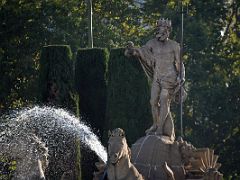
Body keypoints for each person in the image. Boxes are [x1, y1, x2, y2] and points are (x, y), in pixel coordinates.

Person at [125, 18, 186, 140]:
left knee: (164, 100)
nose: (161, 34)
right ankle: (155, 124)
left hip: (170, 78)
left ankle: (160, 128)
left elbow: (180, 63)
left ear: (168, 32)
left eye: (164, 32)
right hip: (157, 77)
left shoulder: (174, 46)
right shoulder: (152, 43)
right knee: (153, 102)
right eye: (159, 31)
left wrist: (182, 76)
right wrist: (133, 51)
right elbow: (143, 52)